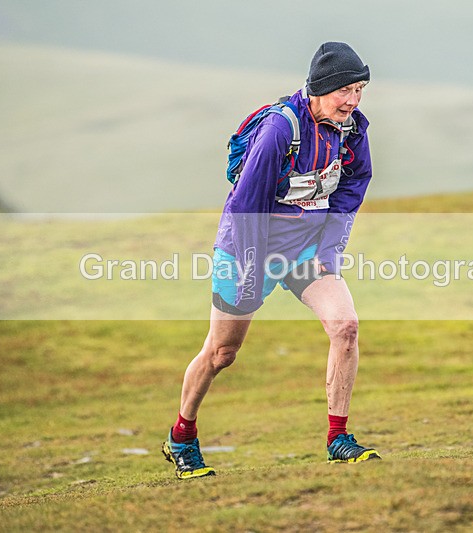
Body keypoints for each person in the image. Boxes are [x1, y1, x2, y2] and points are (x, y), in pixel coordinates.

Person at [162, 42, 379, 479]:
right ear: (320, 89)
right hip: (248, 247)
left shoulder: (352, 129)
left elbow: (354, 185)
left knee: (346, 326)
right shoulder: (281, 130)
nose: (353, 101)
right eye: (346, 91)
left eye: (360, 89)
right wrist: (248, 272)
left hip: (305, 251)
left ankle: (338, 438)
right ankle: (181, 436)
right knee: (222, 352)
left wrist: (327, 251)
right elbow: (246, 207)